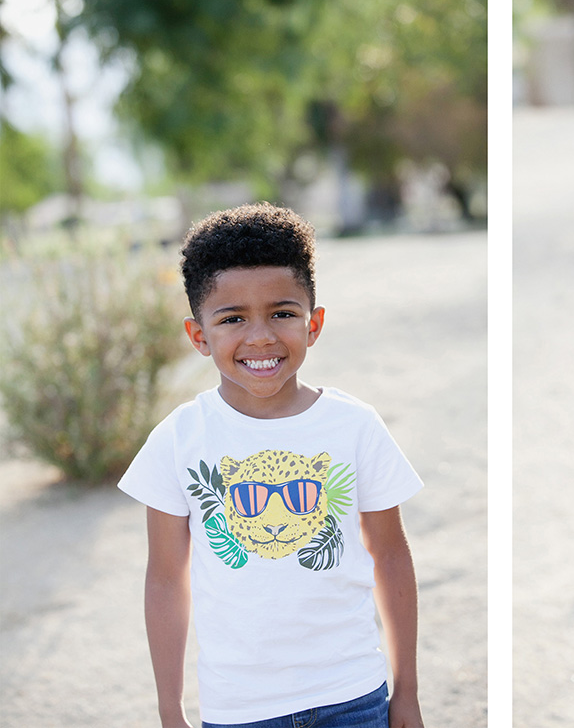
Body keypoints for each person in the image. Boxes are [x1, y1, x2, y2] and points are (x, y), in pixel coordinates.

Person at [119, 203, 424, 728]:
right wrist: (170, 710)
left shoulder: (355, 425)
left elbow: (391, 556)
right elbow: (166, 579)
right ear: (199, 335)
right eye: (232, 318)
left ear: (314, 324)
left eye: (282, 313)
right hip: (239, 710)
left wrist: (408, 692)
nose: (260, 336)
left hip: (353, 696)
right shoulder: (178, 439)